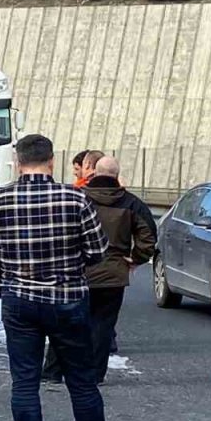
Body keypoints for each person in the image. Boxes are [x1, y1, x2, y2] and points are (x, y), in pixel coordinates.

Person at [0, 134, 120, 421]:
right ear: (52, 161)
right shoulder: (75, 199)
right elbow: (98, 251)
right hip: (67, 298)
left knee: (24, 382)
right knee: (82, 384)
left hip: (19, 300)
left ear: (17, 161)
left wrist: (6, 283)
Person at [44, 156, 157, 383]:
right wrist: (134, 258)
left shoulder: (76, 198)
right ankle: (93, 375)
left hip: (75, 270)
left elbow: (55, 230)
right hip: (113, 274)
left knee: (64, 323)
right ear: (117, 175)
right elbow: (148, 238)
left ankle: (52, 372)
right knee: (102, 325)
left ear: (93, 172)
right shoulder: (132, 203)